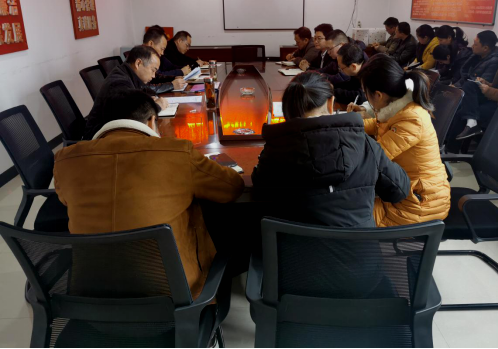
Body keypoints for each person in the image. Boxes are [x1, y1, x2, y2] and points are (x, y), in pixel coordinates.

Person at [54, 89, 245, 300]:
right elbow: (231, 188)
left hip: (90, 297)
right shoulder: (177, 152)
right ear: (152, 120)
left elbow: (64, 199)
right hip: (174, 298)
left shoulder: (65, 159)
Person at [252, 71, 410, 227]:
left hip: (295, 244)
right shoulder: (364, 144)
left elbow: (260, 190)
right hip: (359, 243)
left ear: (288, 108)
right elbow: (399, 190)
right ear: (330, 103)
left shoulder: (275, 151)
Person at [348, 54, 451, 227]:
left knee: (341, 215)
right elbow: (376, 125)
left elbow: (374, 160)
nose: (366, 96)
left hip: (417, 205)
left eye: (366, 92)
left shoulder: (411, 119)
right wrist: (345, 124)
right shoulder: (400, 109)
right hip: (404, 191)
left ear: (378, 95)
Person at [83, 45, 168, 140]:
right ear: (138, 63)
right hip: (100, 138)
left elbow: (143, 91)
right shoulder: (118, 82)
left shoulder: (127, 73)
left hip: (113, 133)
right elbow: (132, 115)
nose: (154, 76)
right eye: (153, 70)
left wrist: (149, 100)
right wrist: (157, 106)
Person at [451, 30, 498, 142]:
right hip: (493, 98)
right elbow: (497, 85)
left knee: (462, 112)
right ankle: (471, 123)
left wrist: (489, 90)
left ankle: (453, 147)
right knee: (469, 85)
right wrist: (486, 83)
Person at [141, 27, 187, 93]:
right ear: (151, 44)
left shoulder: (146, 55)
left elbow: (155, 77)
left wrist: (173, 78)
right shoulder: (140, 57)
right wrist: (171, 85)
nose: (162, 53)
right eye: (162, 49)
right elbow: (143, 88)